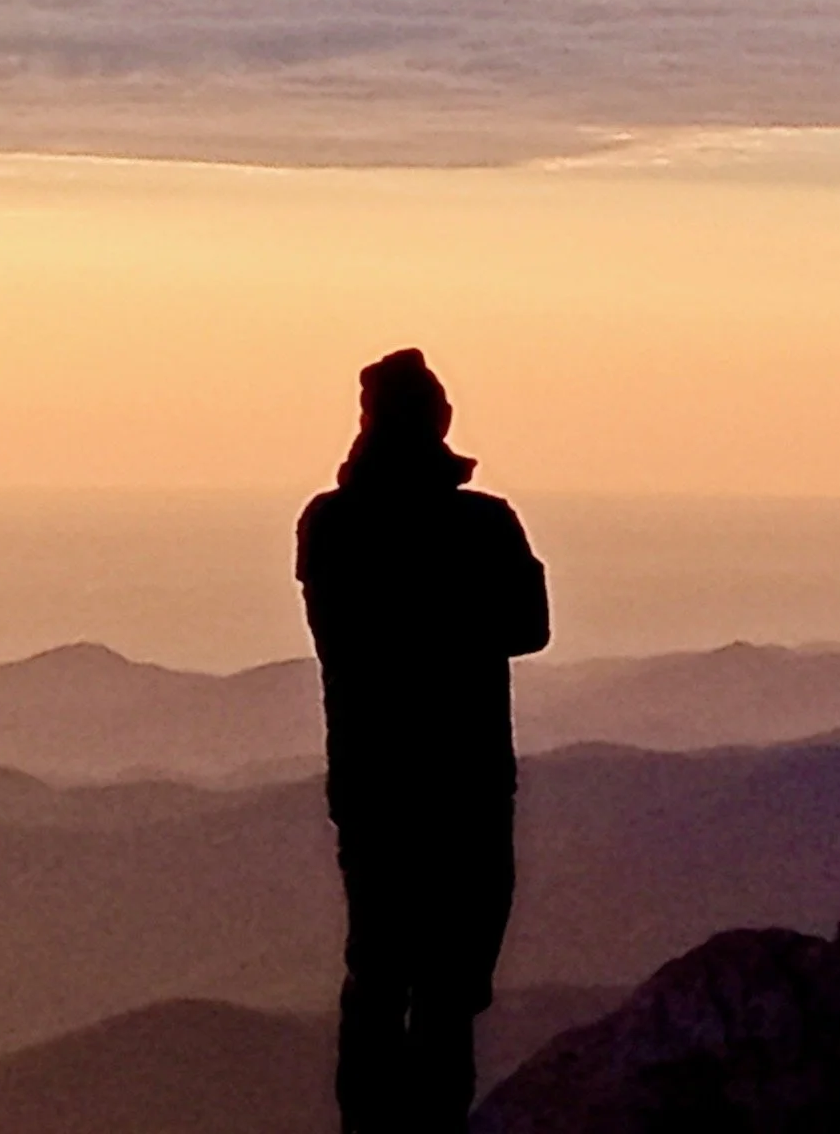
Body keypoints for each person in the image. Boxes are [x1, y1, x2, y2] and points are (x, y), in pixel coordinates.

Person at [296, 349, 550, 1134]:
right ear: (438, 421)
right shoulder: (481, 524)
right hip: (466, 779)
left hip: (373, 780)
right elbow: (529, 628)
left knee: (377, 970)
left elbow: (342, 633)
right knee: (449, 982)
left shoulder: (331, 524)